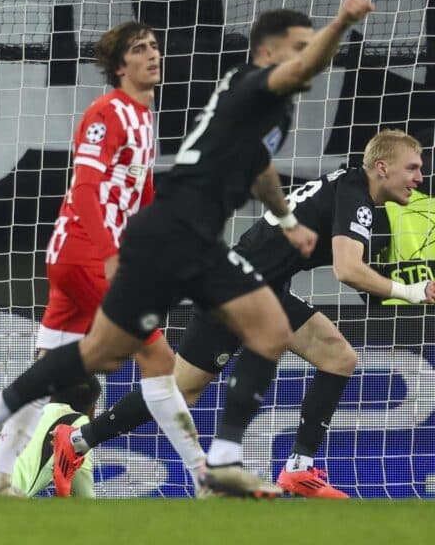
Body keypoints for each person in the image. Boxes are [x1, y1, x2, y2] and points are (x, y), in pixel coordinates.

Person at [0, 0, 375, 499]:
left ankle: (218, 463)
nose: (308, 57)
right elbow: (91, 185)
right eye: (299, 47)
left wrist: (288, 219)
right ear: (268, 54)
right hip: (169, 236)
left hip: (189, 238)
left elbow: (260, 168)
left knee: (232, 335)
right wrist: (342, 22)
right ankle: (209, 464)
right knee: (113, 354)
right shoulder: (254, 83)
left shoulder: (269, 110)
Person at [58, 128, 435, 498]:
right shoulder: (355, 196)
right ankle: (78, 440)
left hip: (264, 288)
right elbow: (347, 269)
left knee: (338, 357)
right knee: (180, 392)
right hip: (234, 290)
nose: (419, 178)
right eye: (412, 168)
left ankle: (298, 469)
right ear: (382, 168)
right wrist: (412, 291)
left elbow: (346, 265)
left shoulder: (352, 187)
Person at [0, 20, 210, 497]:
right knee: (159, 357)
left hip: (84, 257)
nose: (152, 54)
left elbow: (141, 193)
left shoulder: (144, 117)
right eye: (140, 49)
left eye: (155, 46)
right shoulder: (108, 113)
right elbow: (84, 189)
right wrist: (110, 257)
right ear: (120, 65)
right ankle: (207, 478)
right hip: (84, 254)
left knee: (48, 370)